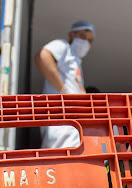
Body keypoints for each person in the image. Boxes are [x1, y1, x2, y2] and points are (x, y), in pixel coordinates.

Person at [34, 20, 95, 148]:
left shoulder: (76, 62)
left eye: (90, 40)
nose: (86, 43)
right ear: (71, 35)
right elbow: (42, 57)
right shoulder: (64, 47)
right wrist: (63, 90)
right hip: (61, 129)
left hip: (73, 130)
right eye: (83, 36)